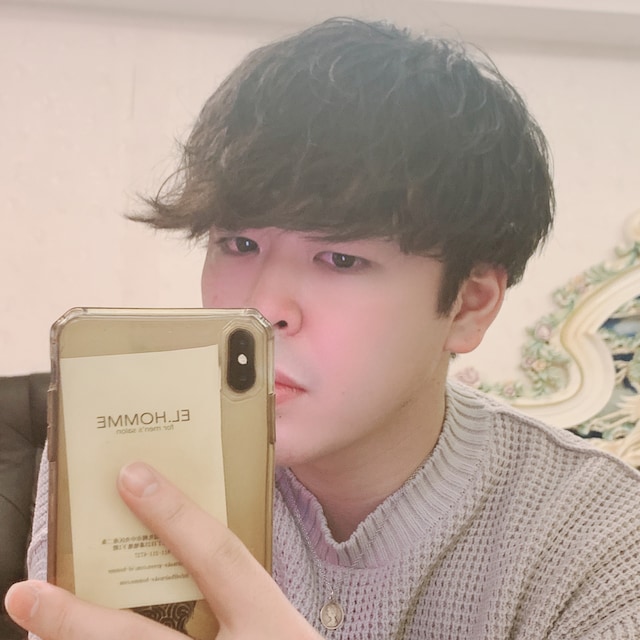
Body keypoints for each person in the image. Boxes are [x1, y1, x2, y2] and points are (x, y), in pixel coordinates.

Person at [6, 16, 640, 640]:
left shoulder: (601, 541)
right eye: (239, 243)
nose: (262, 307)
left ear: (468, 305)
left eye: (340, 259)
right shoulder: (129, 445)